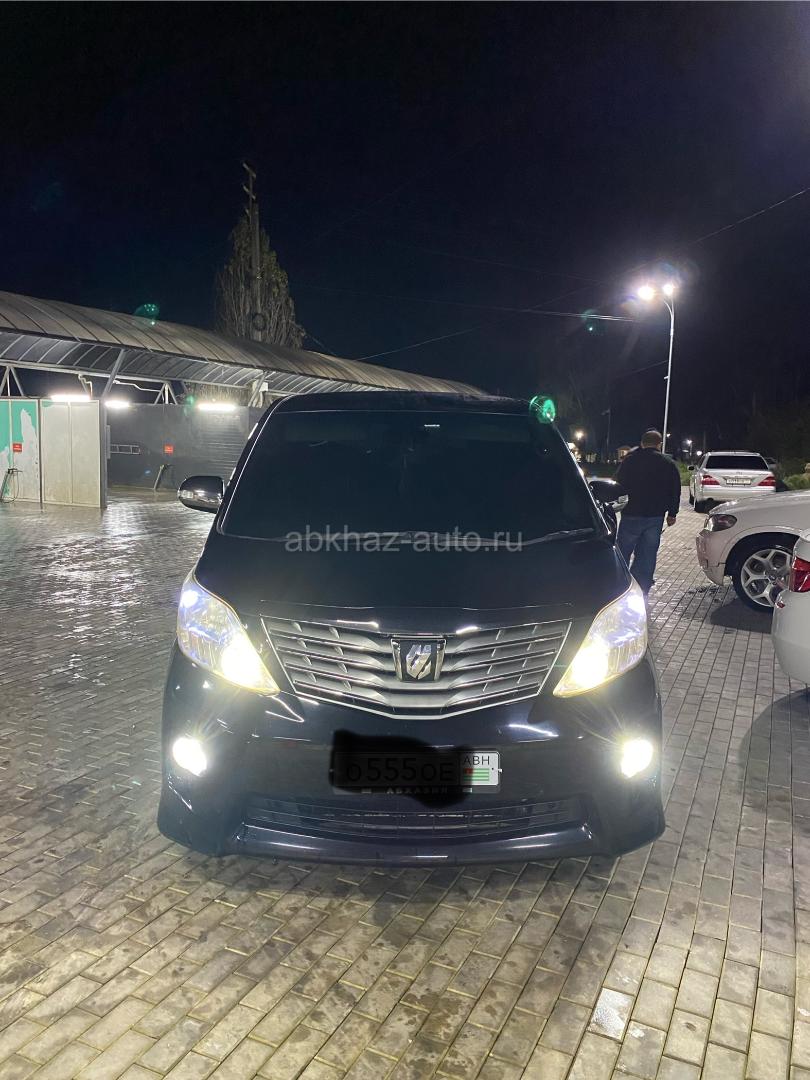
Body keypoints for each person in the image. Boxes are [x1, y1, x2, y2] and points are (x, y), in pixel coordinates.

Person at [614, 429, 682, 594]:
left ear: (642, 443)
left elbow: (617, 483)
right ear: (660, 444)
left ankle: (620, 582)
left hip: (631, 513)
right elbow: (675, 490)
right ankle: (642, 585)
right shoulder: (668, 464)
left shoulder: (630, 461)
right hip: (655, 516)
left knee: (623, 550)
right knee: (648, 553)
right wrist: (672, 513)